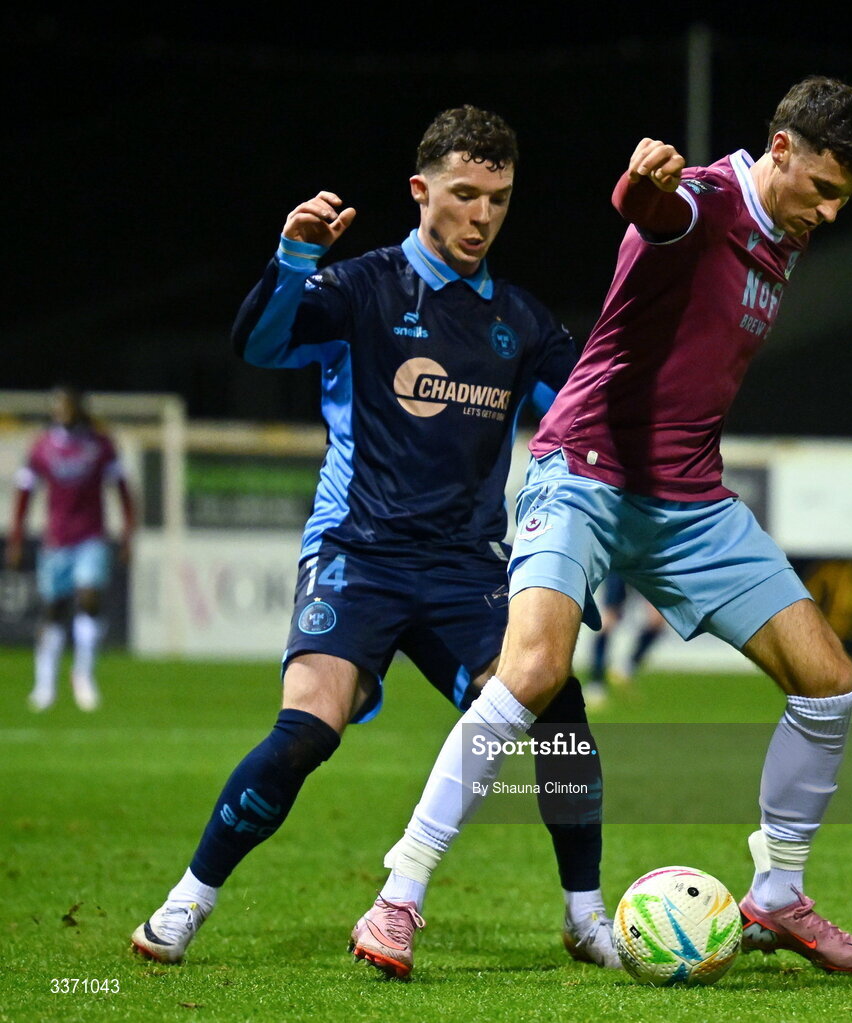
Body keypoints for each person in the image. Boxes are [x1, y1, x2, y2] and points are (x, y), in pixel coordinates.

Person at [355, 76, 852, 977]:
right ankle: (398, 894)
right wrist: (643, 184)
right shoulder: (708, 202)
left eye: (848, 200)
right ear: (782, 149)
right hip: (588, 470)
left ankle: (777, 897)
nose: (831, 213)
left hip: (687, 497)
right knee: (532, 671)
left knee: (829, 683)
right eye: (825, 189)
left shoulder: (784, 227)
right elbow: (657, 211)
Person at [131, 105, 618, 974]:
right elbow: (262, 342)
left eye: (499, 199)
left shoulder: (522, 321)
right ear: (420, 190)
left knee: (561, 718)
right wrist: (294, 254)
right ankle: (186, 901)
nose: (481, 216)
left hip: (466, 568)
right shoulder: (361, 288)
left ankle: (586, 917)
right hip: (357, 550)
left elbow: (582, 429)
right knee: (308, 728)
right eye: (464, 194)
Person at [5, 384, 135, 712]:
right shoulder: (42, 447)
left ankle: (83, 675)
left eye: (66, 404)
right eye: (57, 405)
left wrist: (129, 533)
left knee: (89, 598)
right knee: (53, 610)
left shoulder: (100, 445)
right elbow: (24, 492)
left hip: (91, 536)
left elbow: (122, 489)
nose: (61, 410)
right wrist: (17, 537)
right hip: (56, 540)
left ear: (78, 407)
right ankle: (45, 684)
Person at [584, 572, 666, 707]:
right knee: (608, 619)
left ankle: (627, 667)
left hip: (647, 562)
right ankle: (596, 682)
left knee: (657, 620)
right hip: (620, 562)